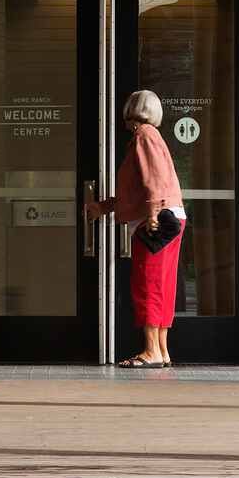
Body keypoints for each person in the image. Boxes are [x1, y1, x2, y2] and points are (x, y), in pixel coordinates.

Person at [85, 88, 186, 369]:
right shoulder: (154, 136)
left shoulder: (143, 135)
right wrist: (102, 207)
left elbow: (153, 178)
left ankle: (151, 350)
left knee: (148, 284)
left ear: (132, 109)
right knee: (163, 284)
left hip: (156, 219)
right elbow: (138, 189)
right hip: (173, 215)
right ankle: (162, 350)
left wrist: (152, 213)